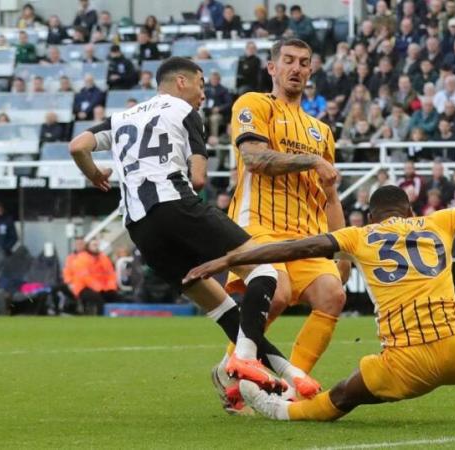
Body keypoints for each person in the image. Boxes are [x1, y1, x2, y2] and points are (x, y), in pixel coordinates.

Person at [186, 140, 455, 422]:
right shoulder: (438, 221)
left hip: (406, 362)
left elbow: (292, 250)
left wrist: (231, 257)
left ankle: (285, 411)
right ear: (409, 209)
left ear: (371, 216)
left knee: (342, 397)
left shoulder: (360, 236)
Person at [69, 56, 319, 412]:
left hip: (138, 227)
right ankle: (245, 358)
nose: (204, 93)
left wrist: (95, 174)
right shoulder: (184, 112)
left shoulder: (123, 117)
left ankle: (287, 373)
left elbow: (77, 145)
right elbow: (198, 178)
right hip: (176, 204)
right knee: (265, 270)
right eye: (201, 84)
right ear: (182, 82)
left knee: (223, 309)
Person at [218, 39, 348, 389]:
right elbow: (256, 159)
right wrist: (312, 160)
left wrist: (343, 250)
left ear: (310, 71)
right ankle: (231, 373)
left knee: (333, 296)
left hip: (306, 234)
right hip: (258, 224)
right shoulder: (253, 104)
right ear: (272, 68)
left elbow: (330, 194)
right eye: (288, 61)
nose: (296, 68)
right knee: (275, 293)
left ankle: (293, 387)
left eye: (304, 63)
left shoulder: (321, 132)